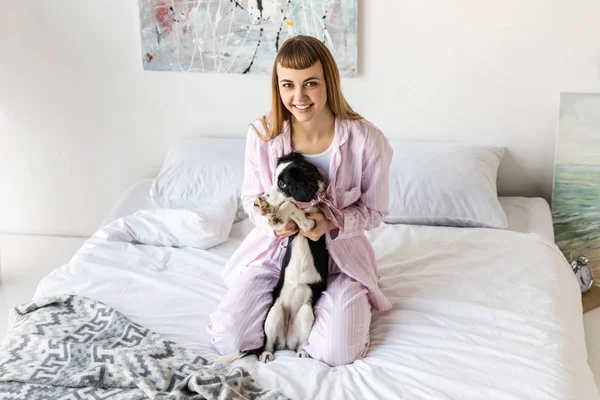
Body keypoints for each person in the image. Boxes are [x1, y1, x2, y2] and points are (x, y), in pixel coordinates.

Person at [207, 35, 393, 367]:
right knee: (228, 339)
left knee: (337, 352)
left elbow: (375, 211)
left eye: (310, 83)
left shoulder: (366, 141)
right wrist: (273, 224)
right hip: (274, 257)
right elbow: (251, 199)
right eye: (287, 85)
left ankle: (334, 311)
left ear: (329, 82)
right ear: (277, 87)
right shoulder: (263, 135)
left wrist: (332, 222)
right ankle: (273, 312)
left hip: (338, 263)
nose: (299, 96)